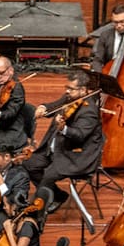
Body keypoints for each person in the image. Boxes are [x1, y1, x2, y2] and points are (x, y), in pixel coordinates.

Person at [21, 68, 103, 213]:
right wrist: (43, 107)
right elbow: (54, 105)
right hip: (57, 147)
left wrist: (63, 129)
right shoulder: (70, 98)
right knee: (29, 164)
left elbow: (80, 135)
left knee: (48, 176)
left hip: (75, 155)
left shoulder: (89, 111)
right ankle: (58, 196)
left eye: (71, 89)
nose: (67, 91)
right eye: (67, 87)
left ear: (83, 90)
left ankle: (40, 206)